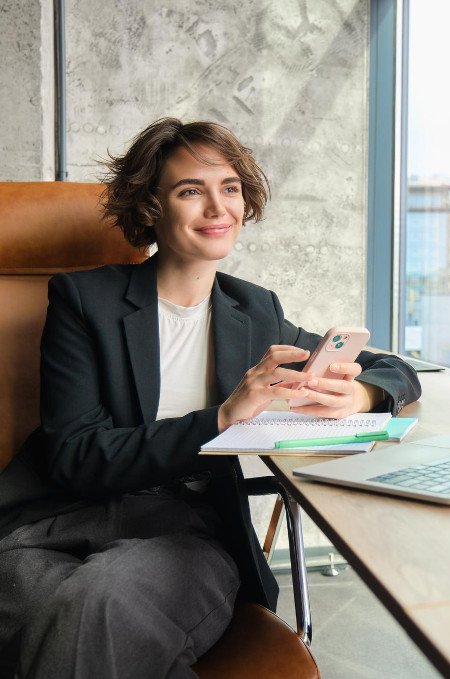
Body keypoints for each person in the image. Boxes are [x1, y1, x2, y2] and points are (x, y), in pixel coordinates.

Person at [0, 119, 421, 678]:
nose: (217, 208)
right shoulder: (84, 299)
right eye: (190, 190)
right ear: (152, 207)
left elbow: (395, 370)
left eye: (230, 188)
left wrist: (362, 393)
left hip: (183, 533)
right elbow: (76, 456)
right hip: (55, 524)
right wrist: (221, 418)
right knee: (84, 622)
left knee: (98, 605)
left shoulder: (255, 313)